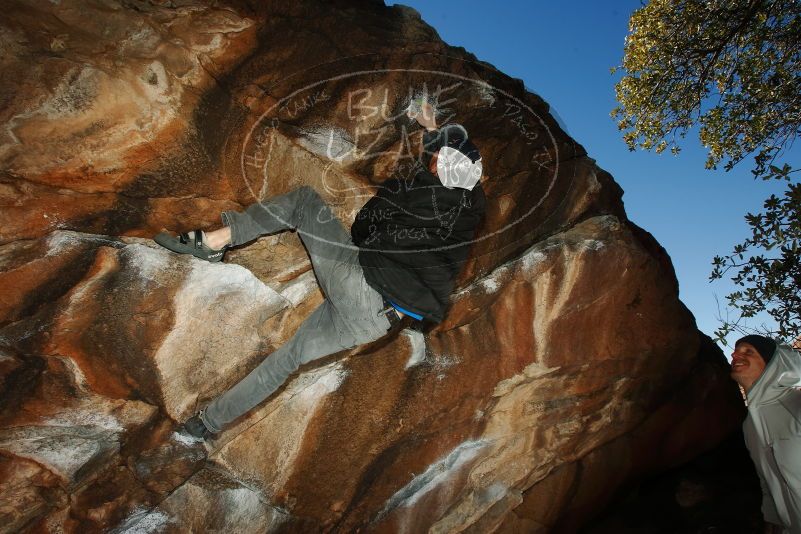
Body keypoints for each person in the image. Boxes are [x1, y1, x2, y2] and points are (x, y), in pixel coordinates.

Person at [154, 100, 486, 439]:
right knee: (287, 361)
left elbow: (364, 225)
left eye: (437, 158)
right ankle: (204, 426)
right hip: (375, 324)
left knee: (304, 203)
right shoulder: (469, 208)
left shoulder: (417, 193)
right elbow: (456, 162)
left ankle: (214, 242)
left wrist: (427, 140)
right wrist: (430, 126)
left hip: (361, 287)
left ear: (442, 165)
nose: (433, 159)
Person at [730, 334, 801, 533]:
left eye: (748, 351)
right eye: (736, 351)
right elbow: (767, 481)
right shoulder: (748, 425)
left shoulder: (797, 403)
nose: (735, 355)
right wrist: (771, 518)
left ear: (772, 364)